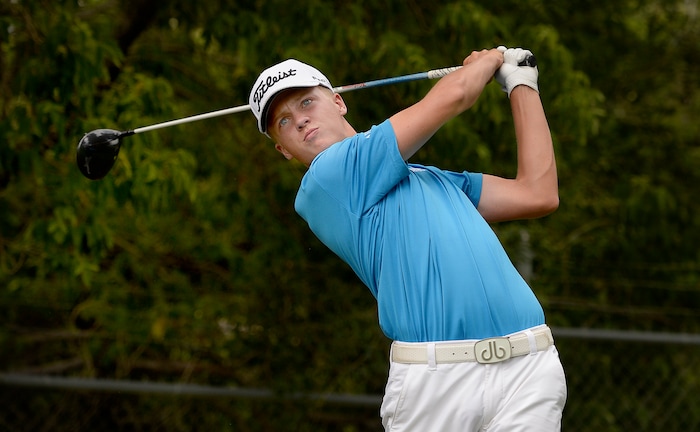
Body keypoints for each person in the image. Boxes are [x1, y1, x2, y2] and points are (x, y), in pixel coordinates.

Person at [248, 47, 566, 431]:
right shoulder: (327, 180)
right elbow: (455, 95)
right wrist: (488, 60)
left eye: (306, 102)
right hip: (438, 382)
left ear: (338, 102)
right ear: (283, 150)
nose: (299, 120)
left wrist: (522, 83)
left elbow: (538, 192)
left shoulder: (429, 178)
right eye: (283, 121)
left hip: (527, 368)